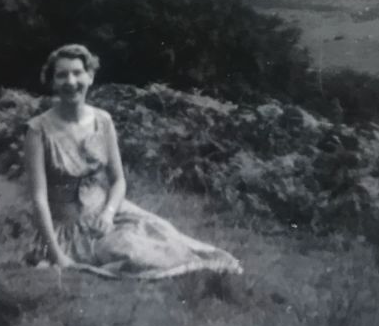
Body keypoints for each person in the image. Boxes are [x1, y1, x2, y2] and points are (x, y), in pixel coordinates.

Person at [24, 43, 243, 279]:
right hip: (70, 227)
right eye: (62, 75)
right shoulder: (38, 130)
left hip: (110, 211)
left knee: (163, 233)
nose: (71, 81)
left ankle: (205, 269)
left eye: (77, 73)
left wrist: (108, 214)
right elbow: (38, 198)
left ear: (90, 77)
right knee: (131, 251)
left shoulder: (102, 120)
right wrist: (58, 256)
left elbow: (118, 180)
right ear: (53, 82)